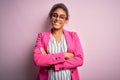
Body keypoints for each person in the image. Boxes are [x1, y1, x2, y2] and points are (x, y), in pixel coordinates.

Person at [33, 3, 84, 80]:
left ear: (66, 20)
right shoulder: (41, 36)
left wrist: (54, 64)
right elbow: (37, 60)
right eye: (55, 15)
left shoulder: (73, 36)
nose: (57, 19)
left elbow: (80, 60)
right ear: (51, 16)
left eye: (62, 17)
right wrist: (64, 55)